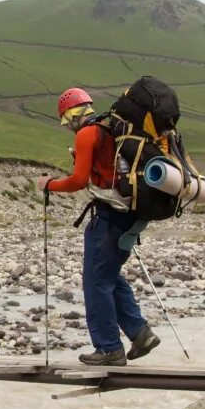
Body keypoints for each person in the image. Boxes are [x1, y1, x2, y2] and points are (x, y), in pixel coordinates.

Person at [37, 86, 160, 367]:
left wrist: (49, 185)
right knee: (110, 276)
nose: (68, 126)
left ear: (70, 115)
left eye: (66, 121)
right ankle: (140, 334)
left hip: (109, 217)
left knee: (96, 283)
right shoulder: (110, 129)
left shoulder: (87, 134)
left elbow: (78, 180)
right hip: (132, 214)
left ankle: (108, 348)